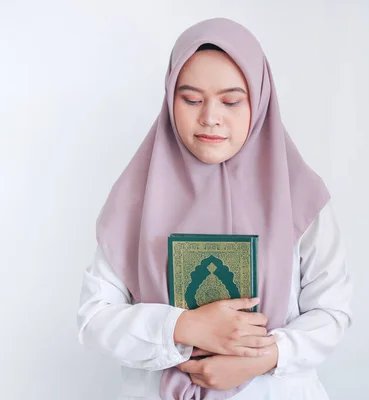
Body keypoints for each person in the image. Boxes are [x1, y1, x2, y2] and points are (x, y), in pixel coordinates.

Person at [76, 17, 352, 400]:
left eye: (231, 100)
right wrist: (183, 327)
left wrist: (263, 357)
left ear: (259, 100)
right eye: (190, 99)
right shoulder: (134, 200)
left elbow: (332, 314)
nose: (210, 117)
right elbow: (94, 320)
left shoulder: (299, 197)